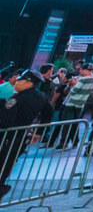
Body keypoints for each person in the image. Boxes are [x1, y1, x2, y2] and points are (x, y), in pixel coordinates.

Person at [0, 70, 53, 198]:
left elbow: (6, 121)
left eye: (20, 81)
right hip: (21, 137)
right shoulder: (41, 96)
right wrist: (39, 132)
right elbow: (49, 112)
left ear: (29, 83)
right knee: (7, 166)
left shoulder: (17, 99)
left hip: (7, 137)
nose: (16, 83)